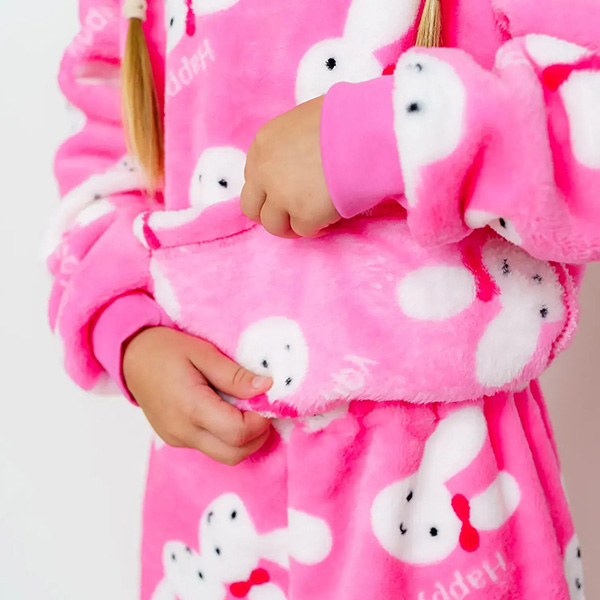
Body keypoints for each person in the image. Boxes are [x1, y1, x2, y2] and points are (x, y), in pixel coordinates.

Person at [45, 0, 597, 597]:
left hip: (440, 489)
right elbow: (106, 145)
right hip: (211, 494)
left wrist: (390, 134)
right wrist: (127, 331)